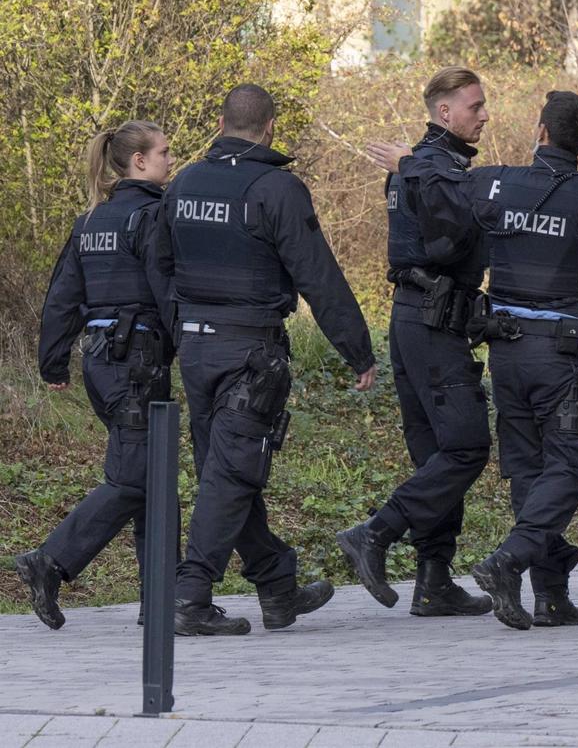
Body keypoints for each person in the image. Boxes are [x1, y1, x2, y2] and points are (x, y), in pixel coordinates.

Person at [368, 91, 578, 630]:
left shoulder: (498, 183)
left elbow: (446, 190)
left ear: (540, 132)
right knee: (569, 464)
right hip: (559, 353)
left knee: (527, 471)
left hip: (505, 352)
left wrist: (407, 162)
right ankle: (510, 561)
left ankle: (550, 595)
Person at [159, 84, 377, 635]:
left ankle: (278, 587)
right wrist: (358, 351)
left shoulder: (182, 182)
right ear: (270, 126)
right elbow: (317, 275)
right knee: (230, 474)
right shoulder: (277, 188)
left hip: (197, 348)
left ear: (220, 120)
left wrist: (178, 332)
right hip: (249, 351)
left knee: (228, 470)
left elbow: (158, 266)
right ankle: (190, 596)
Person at [336, 67, 491, 617]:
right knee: (468, 445)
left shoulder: (424, 166)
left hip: (416, 317)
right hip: (429, 320)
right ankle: (376, 533)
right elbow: (449, 240)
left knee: (436, 454)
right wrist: (417, 165)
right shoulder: (428, 168)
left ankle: (433, 579)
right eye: (474, 106)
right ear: (444, 112)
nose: (483, 115)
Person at [17, 121, 176, 630]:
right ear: (139, 162)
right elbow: (168, 292)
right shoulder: (151, 217)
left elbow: (63, 295)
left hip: (102, 363)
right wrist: (192, 350)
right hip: (137, 364)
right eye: (165, 153)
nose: (171, 161)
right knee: (135, 478)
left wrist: (54, 360)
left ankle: (163, 597)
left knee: (154, 476)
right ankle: (51, 561)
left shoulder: (92, 222)